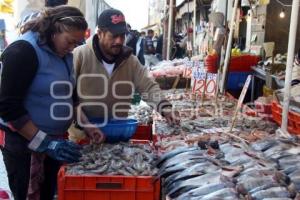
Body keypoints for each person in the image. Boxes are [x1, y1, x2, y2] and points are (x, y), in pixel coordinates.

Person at [0, 6, 102, 200]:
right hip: (24, 145)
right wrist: (44, 143)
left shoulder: (64, 55)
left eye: (77, 43)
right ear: (55, 29)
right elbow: (8, 108)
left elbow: (69, 96)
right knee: (29, 194)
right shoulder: (23, 51)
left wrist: (87, 125)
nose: (73, 47)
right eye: (70, 41)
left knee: (47, 193)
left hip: (54, 141)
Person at [71, 8, 179, 140]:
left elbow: (148, 86)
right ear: (100, 33)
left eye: (122, 36)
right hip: (83, 135)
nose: (119, 41)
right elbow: (68, 95)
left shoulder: (130, 60)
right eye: (113, 36)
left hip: (118, 133)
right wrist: (86, 125)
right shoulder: (79, 55)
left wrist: (164, 107)